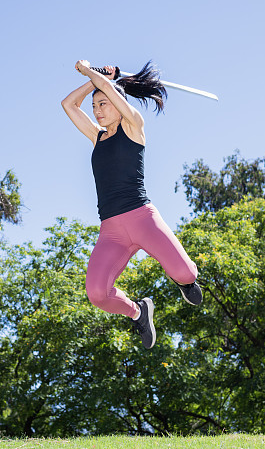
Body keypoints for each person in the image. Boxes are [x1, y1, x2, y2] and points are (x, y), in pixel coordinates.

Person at [61, 60, 202, 349]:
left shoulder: (134, 126)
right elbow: (67, 104)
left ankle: (186, 282)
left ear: (117, 100)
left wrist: (96, 76)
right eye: (95, 107)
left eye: (103, 104)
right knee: (97, 293)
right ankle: (138, 312)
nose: (98, 111)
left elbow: (115, 99)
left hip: (142, 219)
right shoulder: (96, 137)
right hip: (111, 230)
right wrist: (96, 79)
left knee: (186, 273)